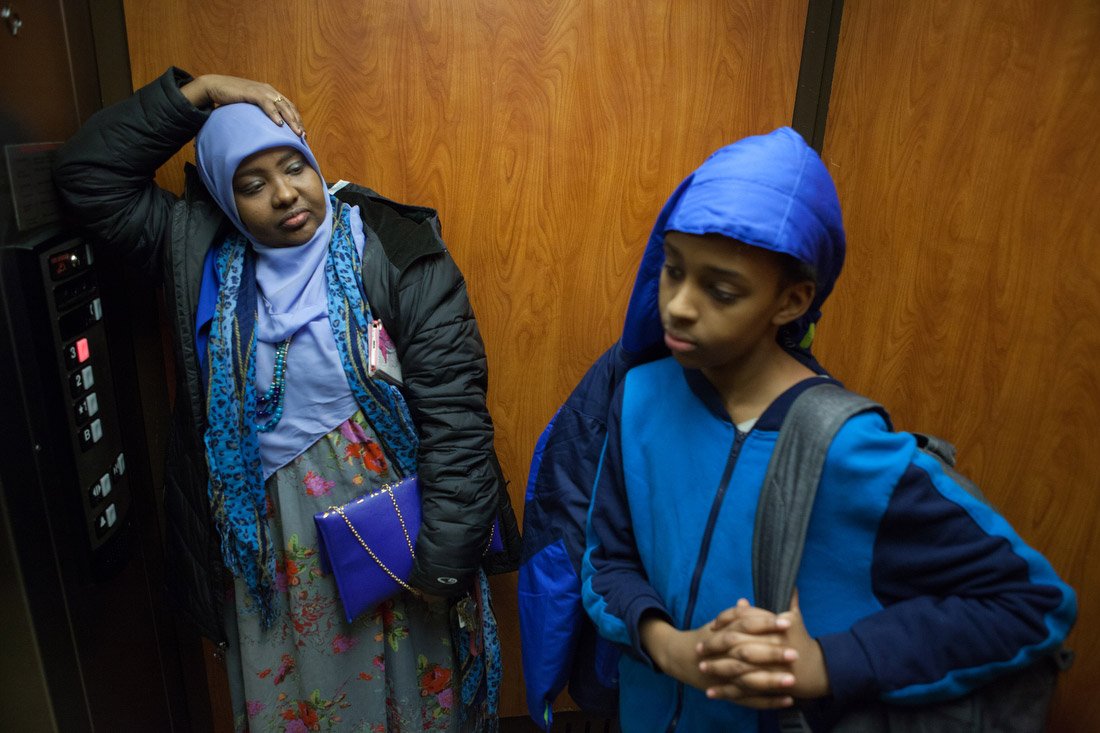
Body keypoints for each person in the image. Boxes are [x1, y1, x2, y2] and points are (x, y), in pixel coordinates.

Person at [560, 127, 1077, 731]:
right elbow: (607, 559)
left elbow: (1031, 604)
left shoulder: (852, 451)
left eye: (721, 291)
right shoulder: (640, 396)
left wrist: (828, 664)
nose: (678, 305)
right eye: (673, 270)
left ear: (791, 301)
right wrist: (671, 648)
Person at [53, 68, 519, 732]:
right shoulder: (198, 254)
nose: (284, 193)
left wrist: (440, 568)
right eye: (252, 184)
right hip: (271, 555)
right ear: (224, 197)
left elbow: (456, 419)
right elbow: (86, 176)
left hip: (395, 539)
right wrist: (203, 91)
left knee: (413, 702)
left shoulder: (392, 247)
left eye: (293, 166)